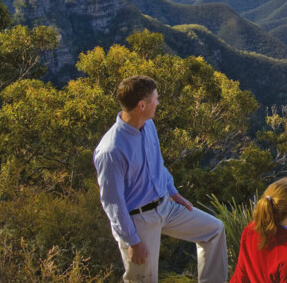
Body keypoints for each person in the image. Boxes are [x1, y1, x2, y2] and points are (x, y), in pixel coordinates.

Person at [94, 75, 228, 283]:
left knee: (214, 230)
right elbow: (113, 203)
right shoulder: (111, 150)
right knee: (143, 279)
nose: (158, 102)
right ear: (141, 105)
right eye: (155, 99)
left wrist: (174, 193)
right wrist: (133, 242)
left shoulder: (148, 126)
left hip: (165, 206)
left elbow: (157, 166)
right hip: (139, 221)